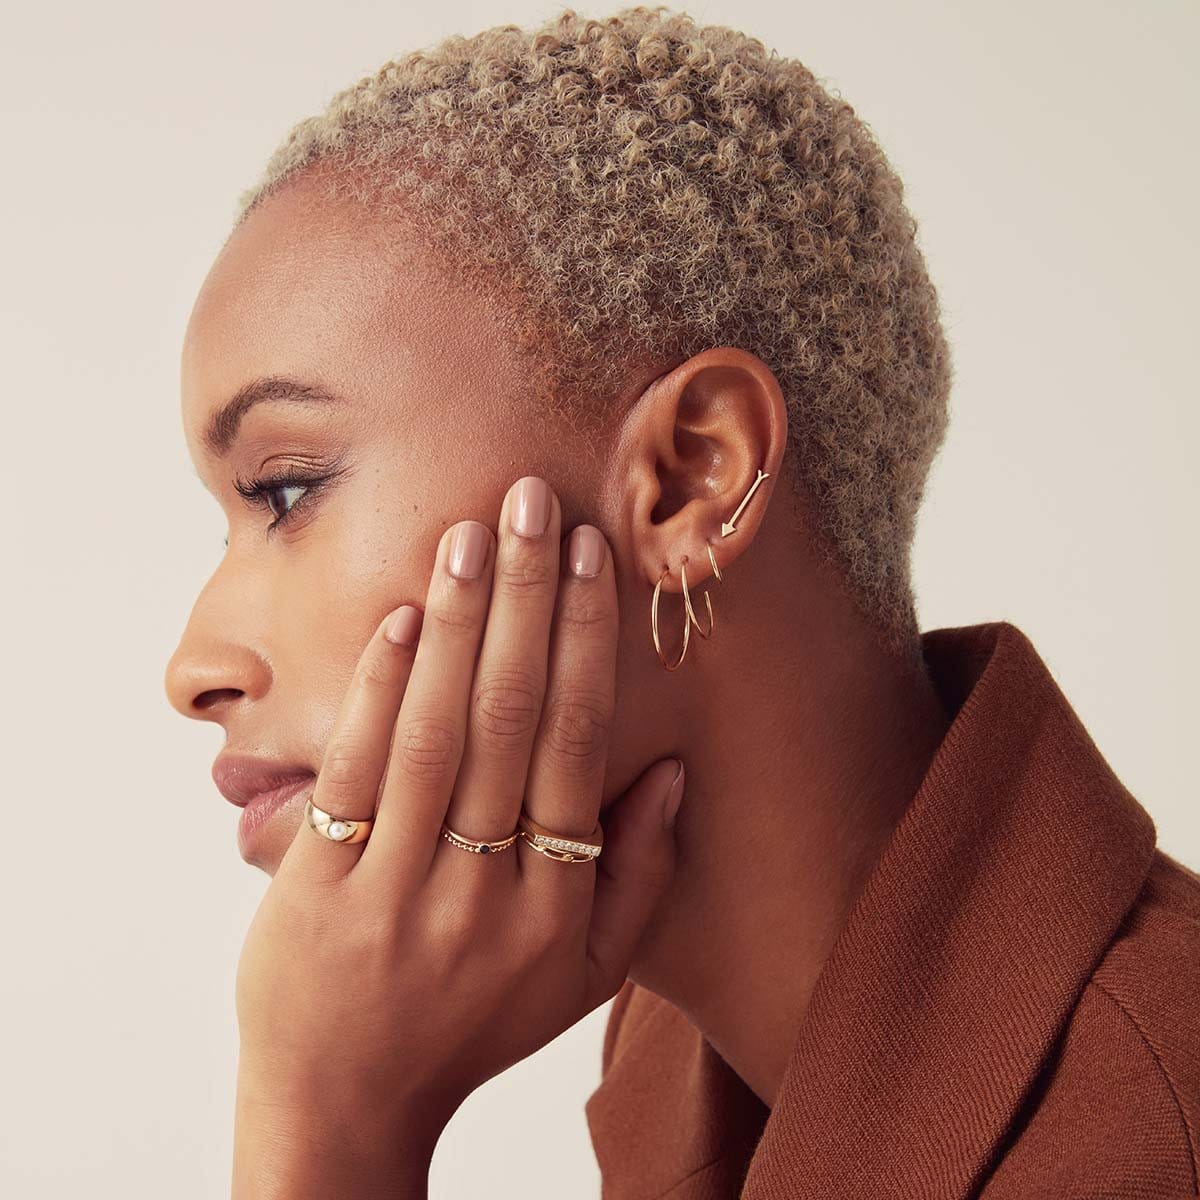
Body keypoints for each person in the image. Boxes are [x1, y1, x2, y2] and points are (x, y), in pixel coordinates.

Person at [163, 6, 1200, 1197]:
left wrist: (325, 1127)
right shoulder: (676, 1050)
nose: (194, 666)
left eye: (287, 491)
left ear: (690, 477)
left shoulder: (1149, 1137)